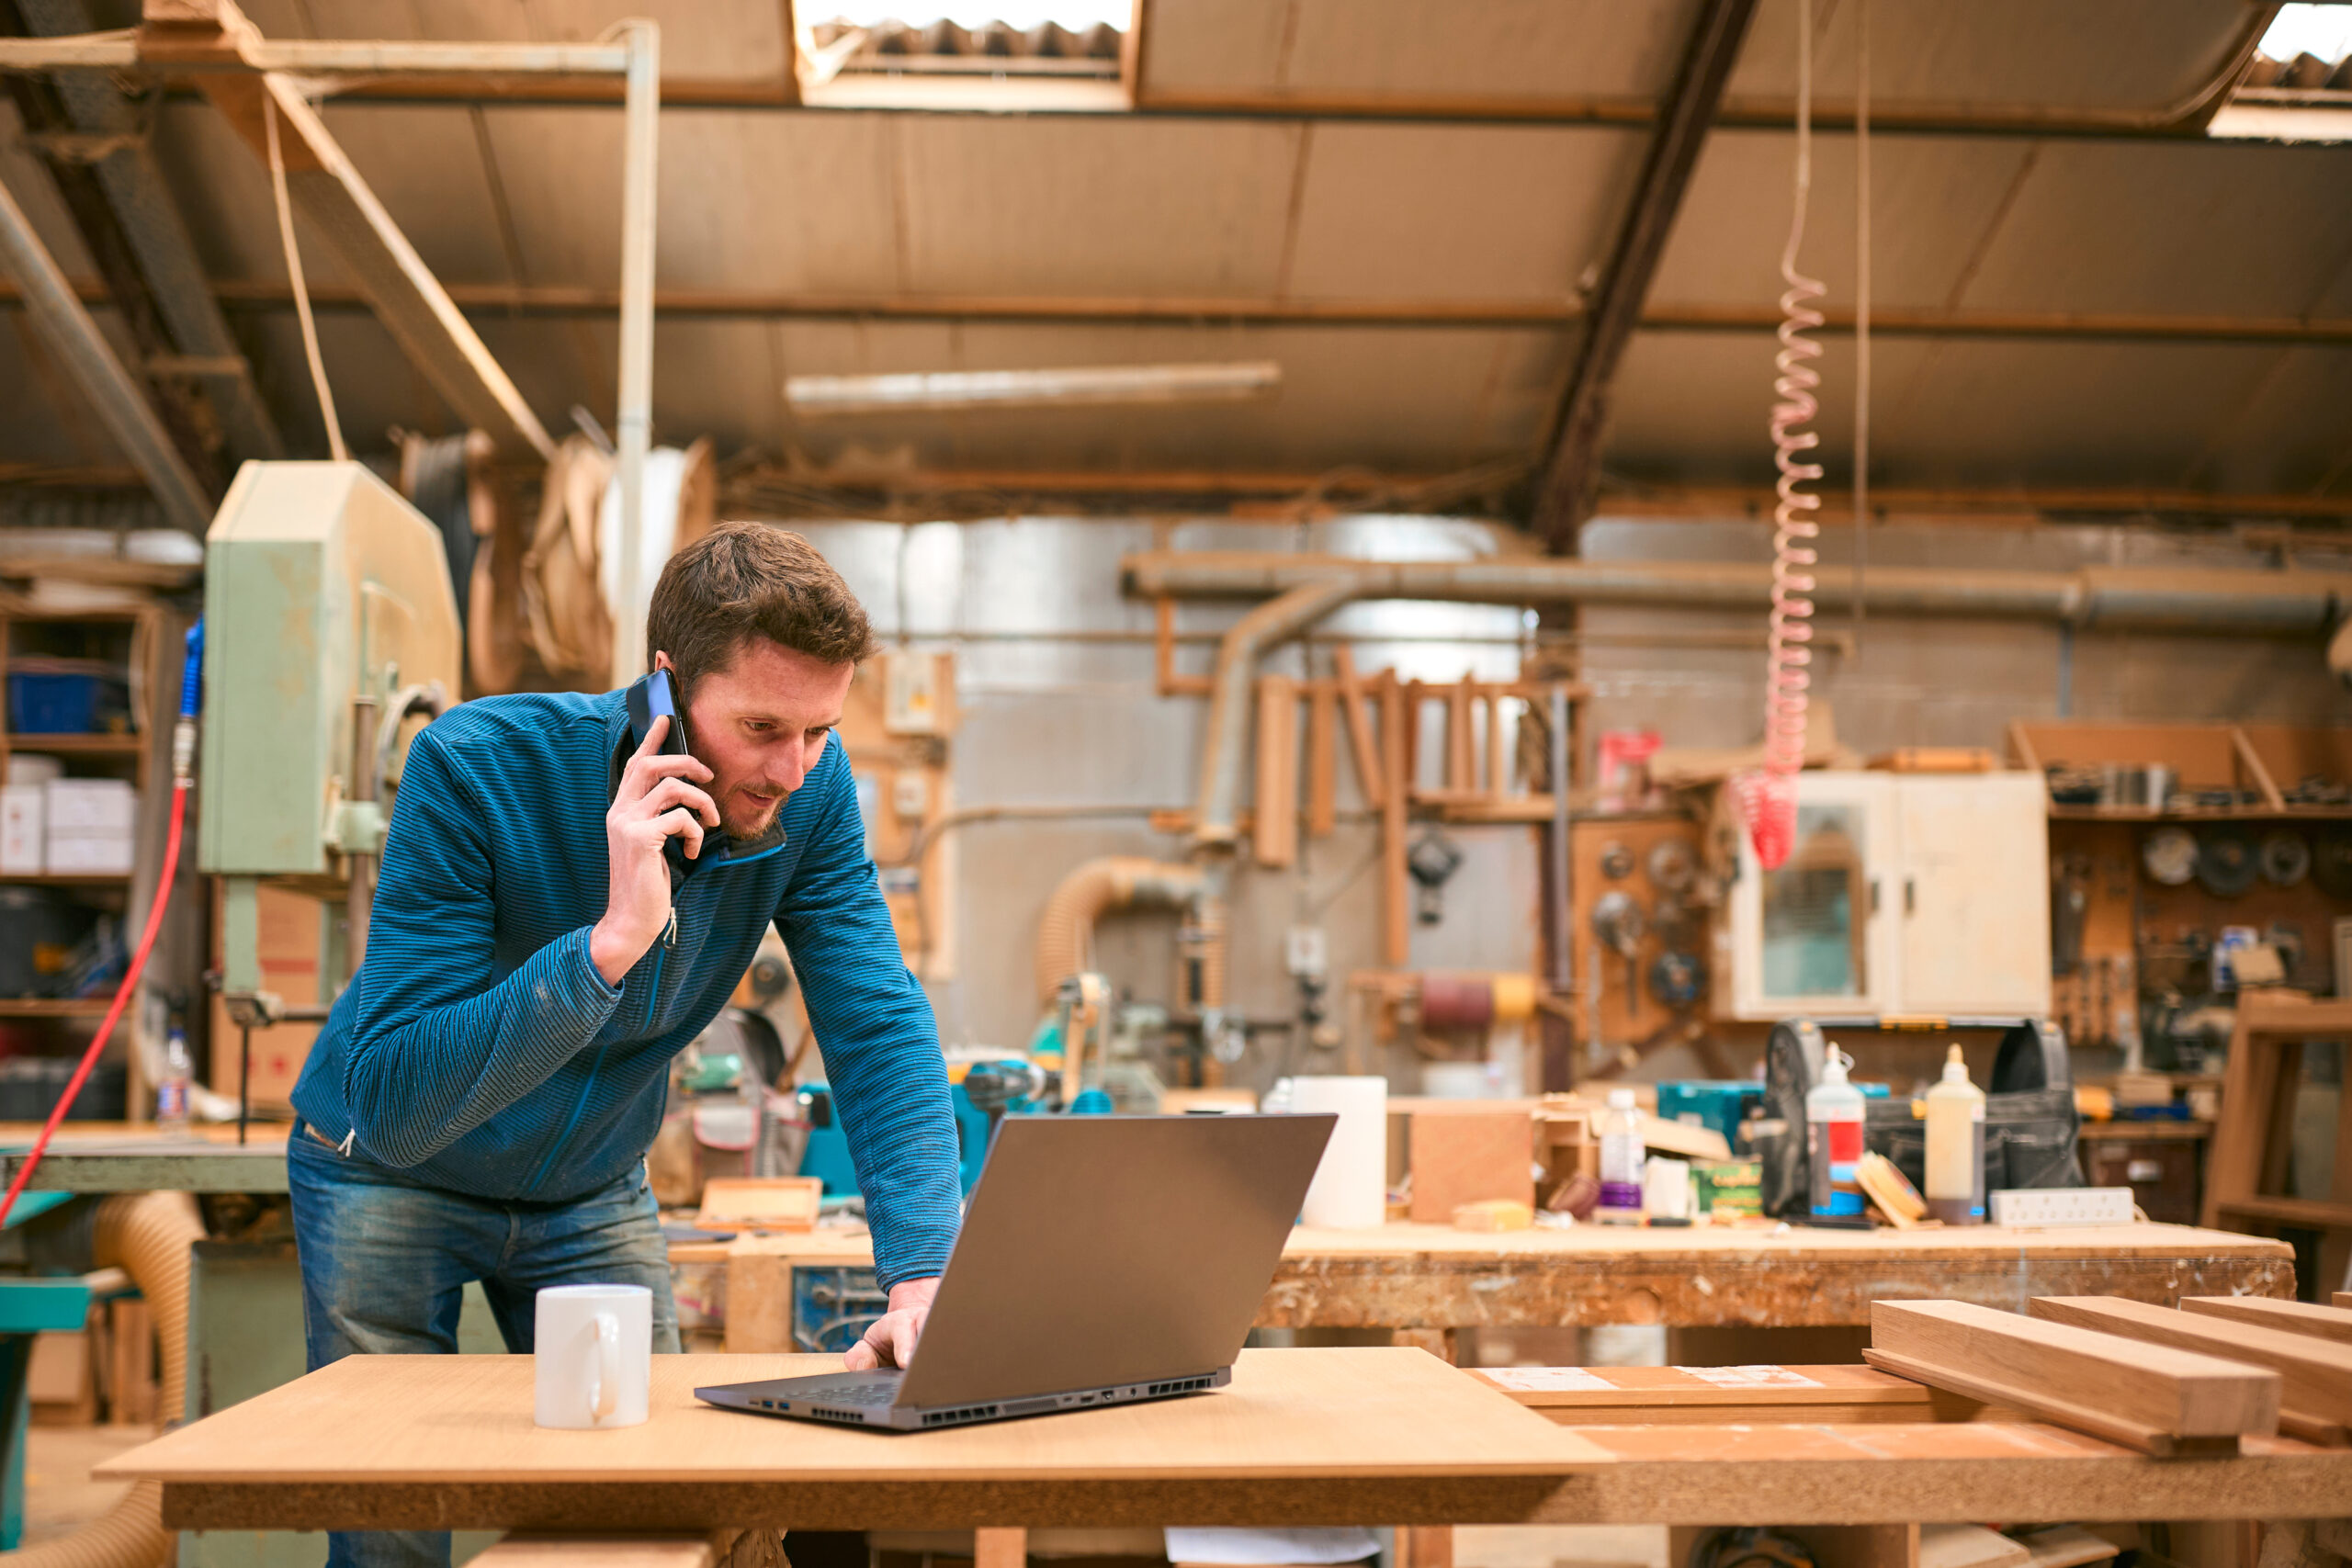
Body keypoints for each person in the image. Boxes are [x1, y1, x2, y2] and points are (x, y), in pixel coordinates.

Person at [286, 524, 961, 1568]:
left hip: (590, 1187)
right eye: (760, 725)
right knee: (392, 1541)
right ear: (666, 690)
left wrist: (922, 1276)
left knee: (656, 1519)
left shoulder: (807, 793)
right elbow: (398, 1103)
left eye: (819, 730)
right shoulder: (474, 768)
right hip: (387, 1173)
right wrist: (607, 947)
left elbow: (873, 1018)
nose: (791, 769)